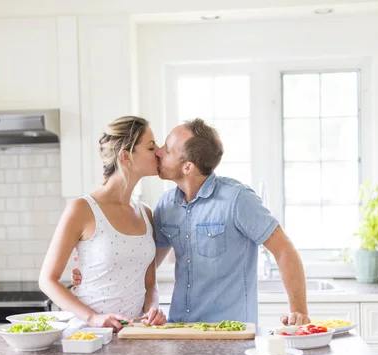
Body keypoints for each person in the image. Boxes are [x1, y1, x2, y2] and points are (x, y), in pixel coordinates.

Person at [73, 118, 310, 326]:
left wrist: (298, 310)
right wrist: (93, 273)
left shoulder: (238, 199)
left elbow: (284, 250)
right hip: (179, 330)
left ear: (188, 166)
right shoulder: (166, 205)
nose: (158, 152)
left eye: (166, 149)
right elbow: (143, 264)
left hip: (230, 334)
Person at [39, 116, 167, 332]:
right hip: (89, 334)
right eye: (150, 147)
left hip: (134, 336)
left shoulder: (145, 213)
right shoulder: (82, 209)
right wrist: (93, 318)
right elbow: (47, 280)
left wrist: (153, 310)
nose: (159, 152)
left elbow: (149, 284)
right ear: (126, 156)